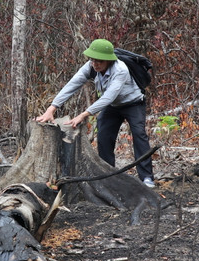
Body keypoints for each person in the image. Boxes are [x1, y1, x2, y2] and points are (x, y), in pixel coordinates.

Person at [36, 38, 155, 188]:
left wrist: (83, 114)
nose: (95, 63)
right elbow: (72, 85)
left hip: (133, 103)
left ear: (109, 60)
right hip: (111, 106)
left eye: (100, 61)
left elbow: (108, 96)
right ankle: (109, 176)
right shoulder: (90, 67)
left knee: (139, 134)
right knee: (104, 135)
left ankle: (147, 178)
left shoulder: (121, 70)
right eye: (93, 59)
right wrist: (51, 108)